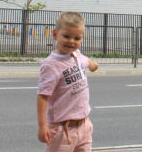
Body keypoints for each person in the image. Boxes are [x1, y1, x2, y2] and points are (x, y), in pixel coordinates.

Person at [37, 11, 99, 151]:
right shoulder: (51, 64)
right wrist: (42, 126)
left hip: (84, 125)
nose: (71, 41)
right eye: (66, 36)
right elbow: (42, 96)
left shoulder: (76, 54)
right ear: (55, 34)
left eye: (77, 38)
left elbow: (86, 61)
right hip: (62, 129)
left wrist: (94, 65)